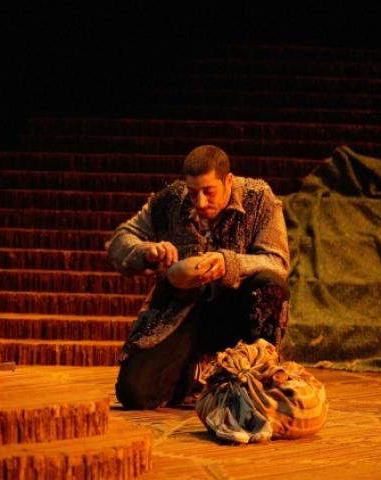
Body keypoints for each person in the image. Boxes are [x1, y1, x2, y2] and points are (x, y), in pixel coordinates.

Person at [107, 145, 290, 410]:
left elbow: (277, 261)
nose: (201, 202)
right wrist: (147, 251)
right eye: (193, 193)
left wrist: (229, 263)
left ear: (228, 180)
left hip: (237, 314)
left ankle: (260, 377)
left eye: (209, 192)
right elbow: (120, 240)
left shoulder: (258, 198)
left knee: (270, 285)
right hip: (182, 312)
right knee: (134, 392)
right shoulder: (170, 201)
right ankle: (193, 373)